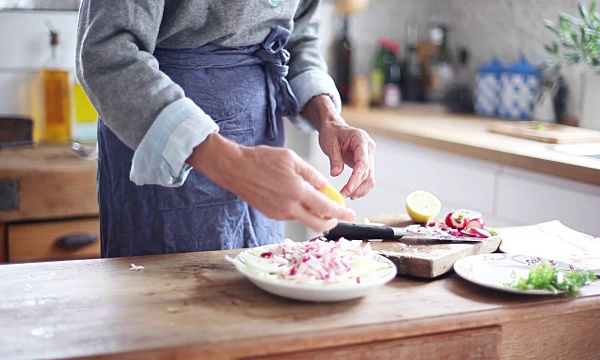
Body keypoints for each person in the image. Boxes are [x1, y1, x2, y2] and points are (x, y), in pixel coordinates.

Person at [75, 0, 376, 257]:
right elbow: (107, 53)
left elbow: (297, 37)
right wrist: (234, 165)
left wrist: (328, 117)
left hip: (264, 145)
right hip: (164, 150)